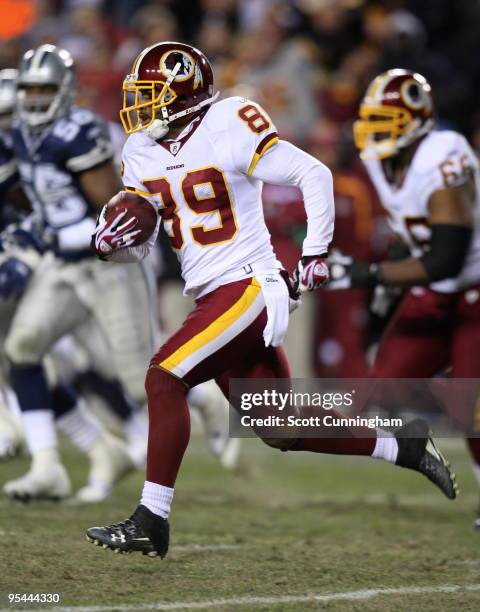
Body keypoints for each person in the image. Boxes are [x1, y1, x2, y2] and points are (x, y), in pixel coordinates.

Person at [86, 44, 457, 558]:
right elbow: (148, 243)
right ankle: (404, 444)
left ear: (183, 91)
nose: (140, 107)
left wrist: (314, 252)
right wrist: (114, 246)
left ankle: (152, 518)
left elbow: (315, 174)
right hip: (210, 293)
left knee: (164, 376)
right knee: (280, 427)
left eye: (151, 95)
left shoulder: (229, 120)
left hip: (251, 284)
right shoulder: (140, 151)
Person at [1, 45, 158, 502]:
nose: (33, 98)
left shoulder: (79, 130)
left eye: (43, 89)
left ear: (63, 91)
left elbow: (115, 214)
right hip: (60, 265)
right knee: (22, 349)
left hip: (103, 267)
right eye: (28, 89)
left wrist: (56, 238)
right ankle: (47, 466)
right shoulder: (21, 137)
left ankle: (182, 440)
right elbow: (34, 205)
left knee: (137, 380)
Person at [328, 68, 480, 524]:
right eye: (371, 120)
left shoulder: (444, 153)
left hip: (474, 288)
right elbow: (405, 233)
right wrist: (386, 285)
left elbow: (447, 258)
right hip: (432, 290)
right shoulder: (380, 161)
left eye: (386, 120)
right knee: (387, 385)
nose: (374, 132)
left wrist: (370, 275)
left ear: (416, 121)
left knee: (471, 405)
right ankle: (455, 383)